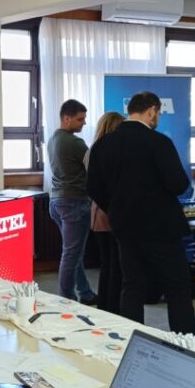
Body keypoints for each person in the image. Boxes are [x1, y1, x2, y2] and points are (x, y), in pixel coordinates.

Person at [87, 91, 195, 334]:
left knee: (131, 285)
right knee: (177, 287)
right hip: (162, 228)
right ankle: (184, 342)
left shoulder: (103, 144)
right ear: (152, 111)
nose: (158, 118)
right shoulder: (159, 142)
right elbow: (178, 184)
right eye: (158, 113)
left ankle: (131, 338)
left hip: (124, 226)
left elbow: (93, 186)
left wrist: (115, 207)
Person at [47, 99, 97, 305]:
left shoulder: (53, 138)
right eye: (80, 119)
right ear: (66, 119)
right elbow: (95, 168)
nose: (84, 123)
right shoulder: (75, 143)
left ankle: (85, 293)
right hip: (73, 203)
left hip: (56, 201)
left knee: (73, 253)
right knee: (71, 254)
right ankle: (66, 300)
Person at [84, 111, 125, 314]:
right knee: (115, 264)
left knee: (107, 264)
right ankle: (113, 307)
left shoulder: (91, 150)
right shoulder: (107, 152)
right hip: (109, 214)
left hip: (97, 214)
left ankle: (105, 306)